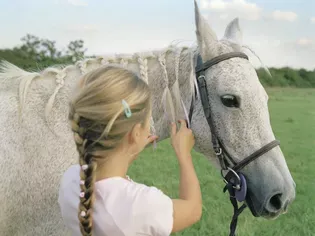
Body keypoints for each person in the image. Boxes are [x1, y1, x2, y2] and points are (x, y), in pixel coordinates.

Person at [58, 65, 202, 236]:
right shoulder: (143, 206)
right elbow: (193, 209)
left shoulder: (71, 180)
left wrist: (129, 150)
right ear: (134, 134)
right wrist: (183, 154)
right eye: (148, 120)